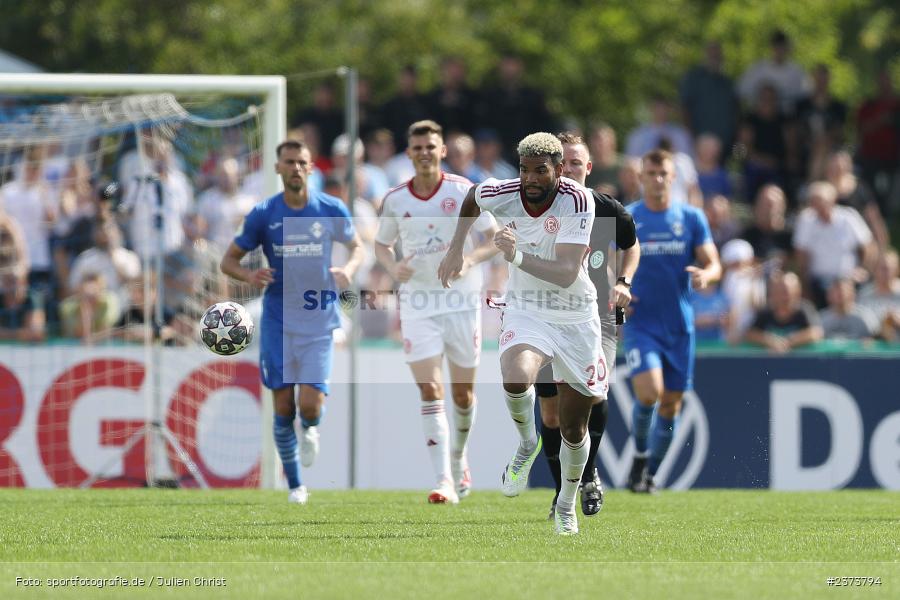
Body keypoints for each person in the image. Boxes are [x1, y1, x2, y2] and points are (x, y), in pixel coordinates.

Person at [439, 132, 602, 536]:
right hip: (527, 309)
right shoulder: (506, 191)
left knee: (573, 429)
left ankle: (566, 504)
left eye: (540, 170)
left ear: (559, 170)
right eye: (525, 169)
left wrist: (516, 255)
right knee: (515, 376)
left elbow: (566, 273)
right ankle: (527, 444)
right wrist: (456, 247)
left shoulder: (578, 200)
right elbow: (473, 196)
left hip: (574, 315)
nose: (530, 178)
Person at [220, 140, 365, 504]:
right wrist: (248, 277)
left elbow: (358, 246)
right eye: (290, 162)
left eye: (303, 162)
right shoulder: (264, 214)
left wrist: (347, 269)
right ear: (278, 168)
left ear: (311, 168)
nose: (297, 168)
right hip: (278, 321)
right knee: (283, 406)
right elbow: (228, 261)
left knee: (310, 406)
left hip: (319, 319)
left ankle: (311, 428)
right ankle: (296, 485)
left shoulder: (330, 208)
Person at [374, 120, 498, 504]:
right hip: (418, 303)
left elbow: (495, 239)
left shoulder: (464, 191)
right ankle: (444, 478)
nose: (424, 153)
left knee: (463, 397)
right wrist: (394, 268)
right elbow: (382, 245)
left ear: (442, 150)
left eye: (431, 146)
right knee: (430, 389)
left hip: (461, 301)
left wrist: (469, 259)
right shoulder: (395, 199)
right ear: (408, 154)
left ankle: (459, 458)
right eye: (417, 147)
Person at [537, 133, 639, 520]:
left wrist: (624, 281)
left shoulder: (606, 208)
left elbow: (632, 244)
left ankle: (589, 474)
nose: (571, 170)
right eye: (565, 163)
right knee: (551, 415)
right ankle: (563, 489)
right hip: (547, 319)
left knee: (594, 394)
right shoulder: (540, 208)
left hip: (598, 318)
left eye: (578, 163)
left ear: (588, 168)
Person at [624, 149, 722, 494]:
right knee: (650, 392)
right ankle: (638, 455)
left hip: (680, 326)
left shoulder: (691, 218)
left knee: (672, 403)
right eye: (651, 173)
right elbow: (601, 263)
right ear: (641, 177)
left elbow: (713, 262)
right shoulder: (628, 217)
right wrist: (615, 289)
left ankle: (648, 473)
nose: (658, 179)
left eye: (663, 173)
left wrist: (707, 274)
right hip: (641, 324)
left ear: (673, 176)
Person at [744, 271, 823, 352]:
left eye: (785, 291)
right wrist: (769, 340)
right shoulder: (765, 312)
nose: (781, 296)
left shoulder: (805, 309)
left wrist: (788, 342)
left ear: (797, 292)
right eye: (777, 291)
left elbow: (816, 332)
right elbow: (749, 334)